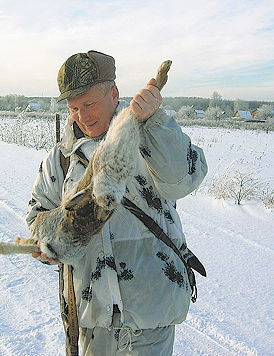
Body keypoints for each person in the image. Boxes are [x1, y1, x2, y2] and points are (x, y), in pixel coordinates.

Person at [26, 50, 208, 356]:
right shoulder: (59, 161)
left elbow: (183, 181)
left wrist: (153, 122)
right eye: (73, 108)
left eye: (89, 104)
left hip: (150, 315)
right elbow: (36, 221)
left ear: (113, 94)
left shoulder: (150, 137)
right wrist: (50, 245)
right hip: (92, 322)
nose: (82, 116)